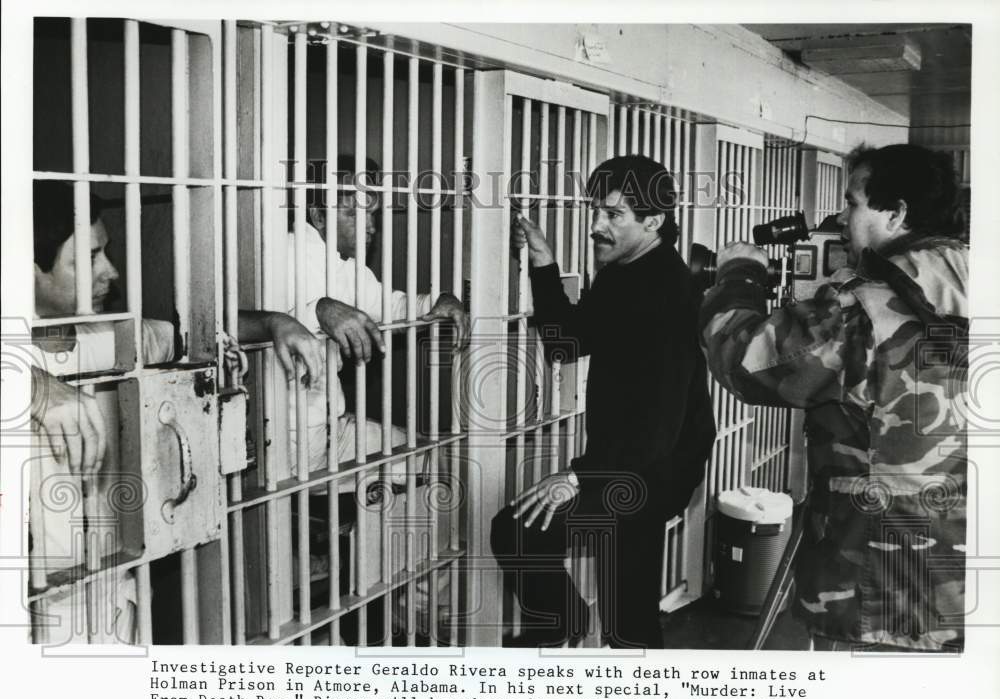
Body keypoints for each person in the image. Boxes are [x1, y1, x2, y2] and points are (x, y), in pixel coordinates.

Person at [699, 143, 967, 651]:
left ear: (897, 212)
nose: (843, 218)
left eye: (853, 202)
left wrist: (739, 275)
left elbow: (744, 360)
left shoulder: (866, 308)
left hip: (882, 592)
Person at [29, 180, 321, 643]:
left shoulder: (112, 339)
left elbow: (198, 335)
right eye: (87, 259)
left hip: (115, 583)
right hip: (30, 606)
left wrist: (274, 322)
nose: (112, 272)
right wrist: (33, 387)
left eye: (105, 252)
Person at [490, 154, 716, 649]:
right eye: (597, 211)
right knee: (627, 612)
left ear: (652, 221)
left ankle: (562, 623)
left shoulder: (666, 291)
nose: (597, 226)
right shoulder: (625, 268)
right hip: (637, 460)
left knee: (521, 529)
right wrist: (544, 262)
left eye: (613, 215)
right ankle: (584, 631)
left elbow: (656, 427)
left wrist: (576, 477)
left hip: (657, 467)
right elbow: (567, 342)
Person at [284, 155, 469, 480]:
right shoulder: (280, 253)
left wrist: (439, 302)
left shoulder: (345, 268)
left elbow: (391, 306)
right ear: (318, 216)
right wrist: (319, 310)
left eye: (371, 213)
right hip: (283, 446)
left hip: (329, 430)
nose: (370, 227)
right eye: (353, 213)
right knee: (417, 467)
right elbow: (252, 326)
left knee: (426, 455)